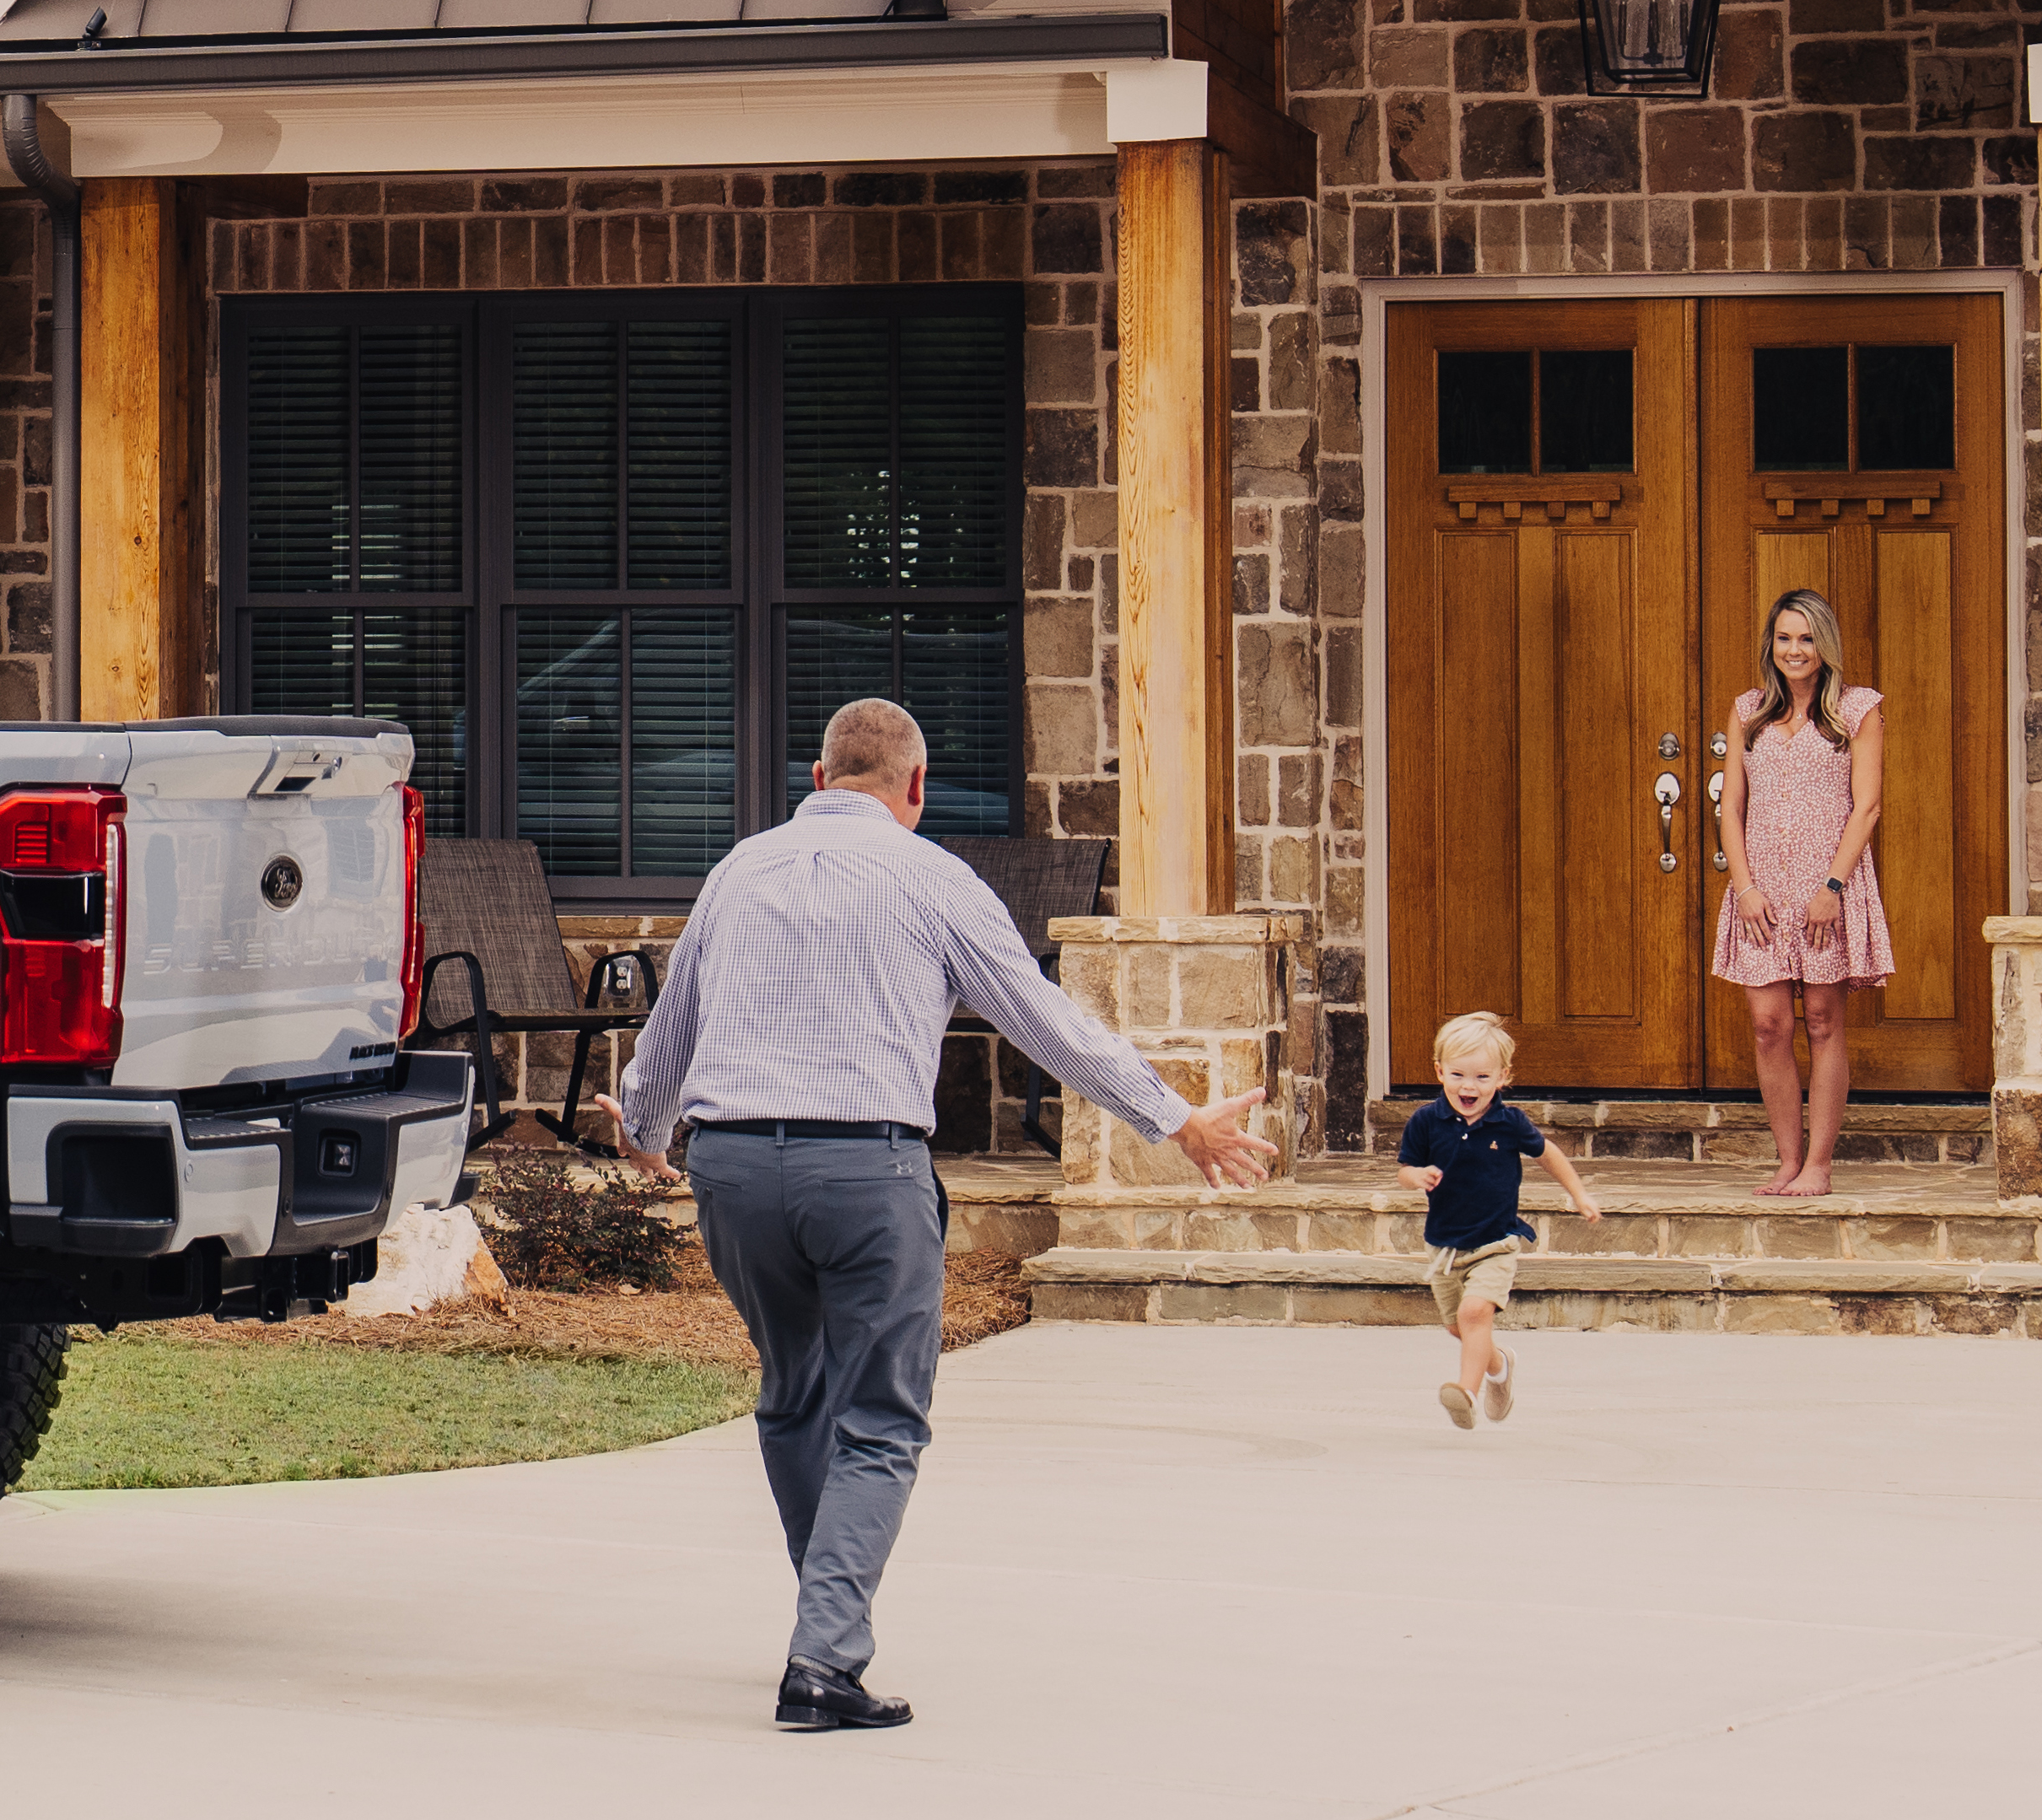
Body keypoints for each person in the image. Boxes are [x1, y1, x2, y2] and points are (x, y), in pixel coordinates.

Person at [616, 698, 1279, 1731]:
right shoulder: (930, 878)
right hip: (864, 1172)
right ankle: (824, 1662)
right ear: (912, 788)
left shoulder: (738, 869)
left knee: (796, 1398)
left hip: (734, 1168)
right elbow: (1044, 1019)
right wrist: (1176, 1121)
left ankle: (818, 1627)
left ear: (820, 774)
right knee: (879, 1418)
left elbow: (670, 1028)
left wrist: (647, 1133)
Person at [1705, 590, 1891, 1198]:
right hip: (1760, 891)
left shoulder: (1855, 711)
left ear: (1824, 645)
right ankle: (1786, 1159)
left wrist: (1831, 887)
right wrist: (1743, 884)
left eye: (1806, 638)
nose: (1794, 650)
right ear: (1771, 644)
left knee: (1821, 1020)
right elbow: (1729, 807)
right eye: (1784, 638)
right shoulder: (1748, 711)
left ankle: (1819, 1163)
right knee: (1766, 1023)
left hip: (1824, 888)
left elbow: (1866, 807)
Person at [1399, 1009, 1599, 1428]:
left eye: (1482, 1078)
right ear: (1439, 1071)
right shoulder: (1425, 1121)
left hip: (1496, 1241)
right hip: (1445, 1245)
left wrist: (1578, 1194)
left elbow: (1549, 1155)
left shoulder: (1509, 1123)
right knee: (1460, 1328)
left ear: (1503, 1077)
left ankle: (1466, 1395)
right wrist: (1416, 1176)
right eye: (1457, 1075)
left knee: (1475, 1314)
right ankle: (1500, 1365)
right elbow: (1405, 1169)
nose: (1468, 1086)